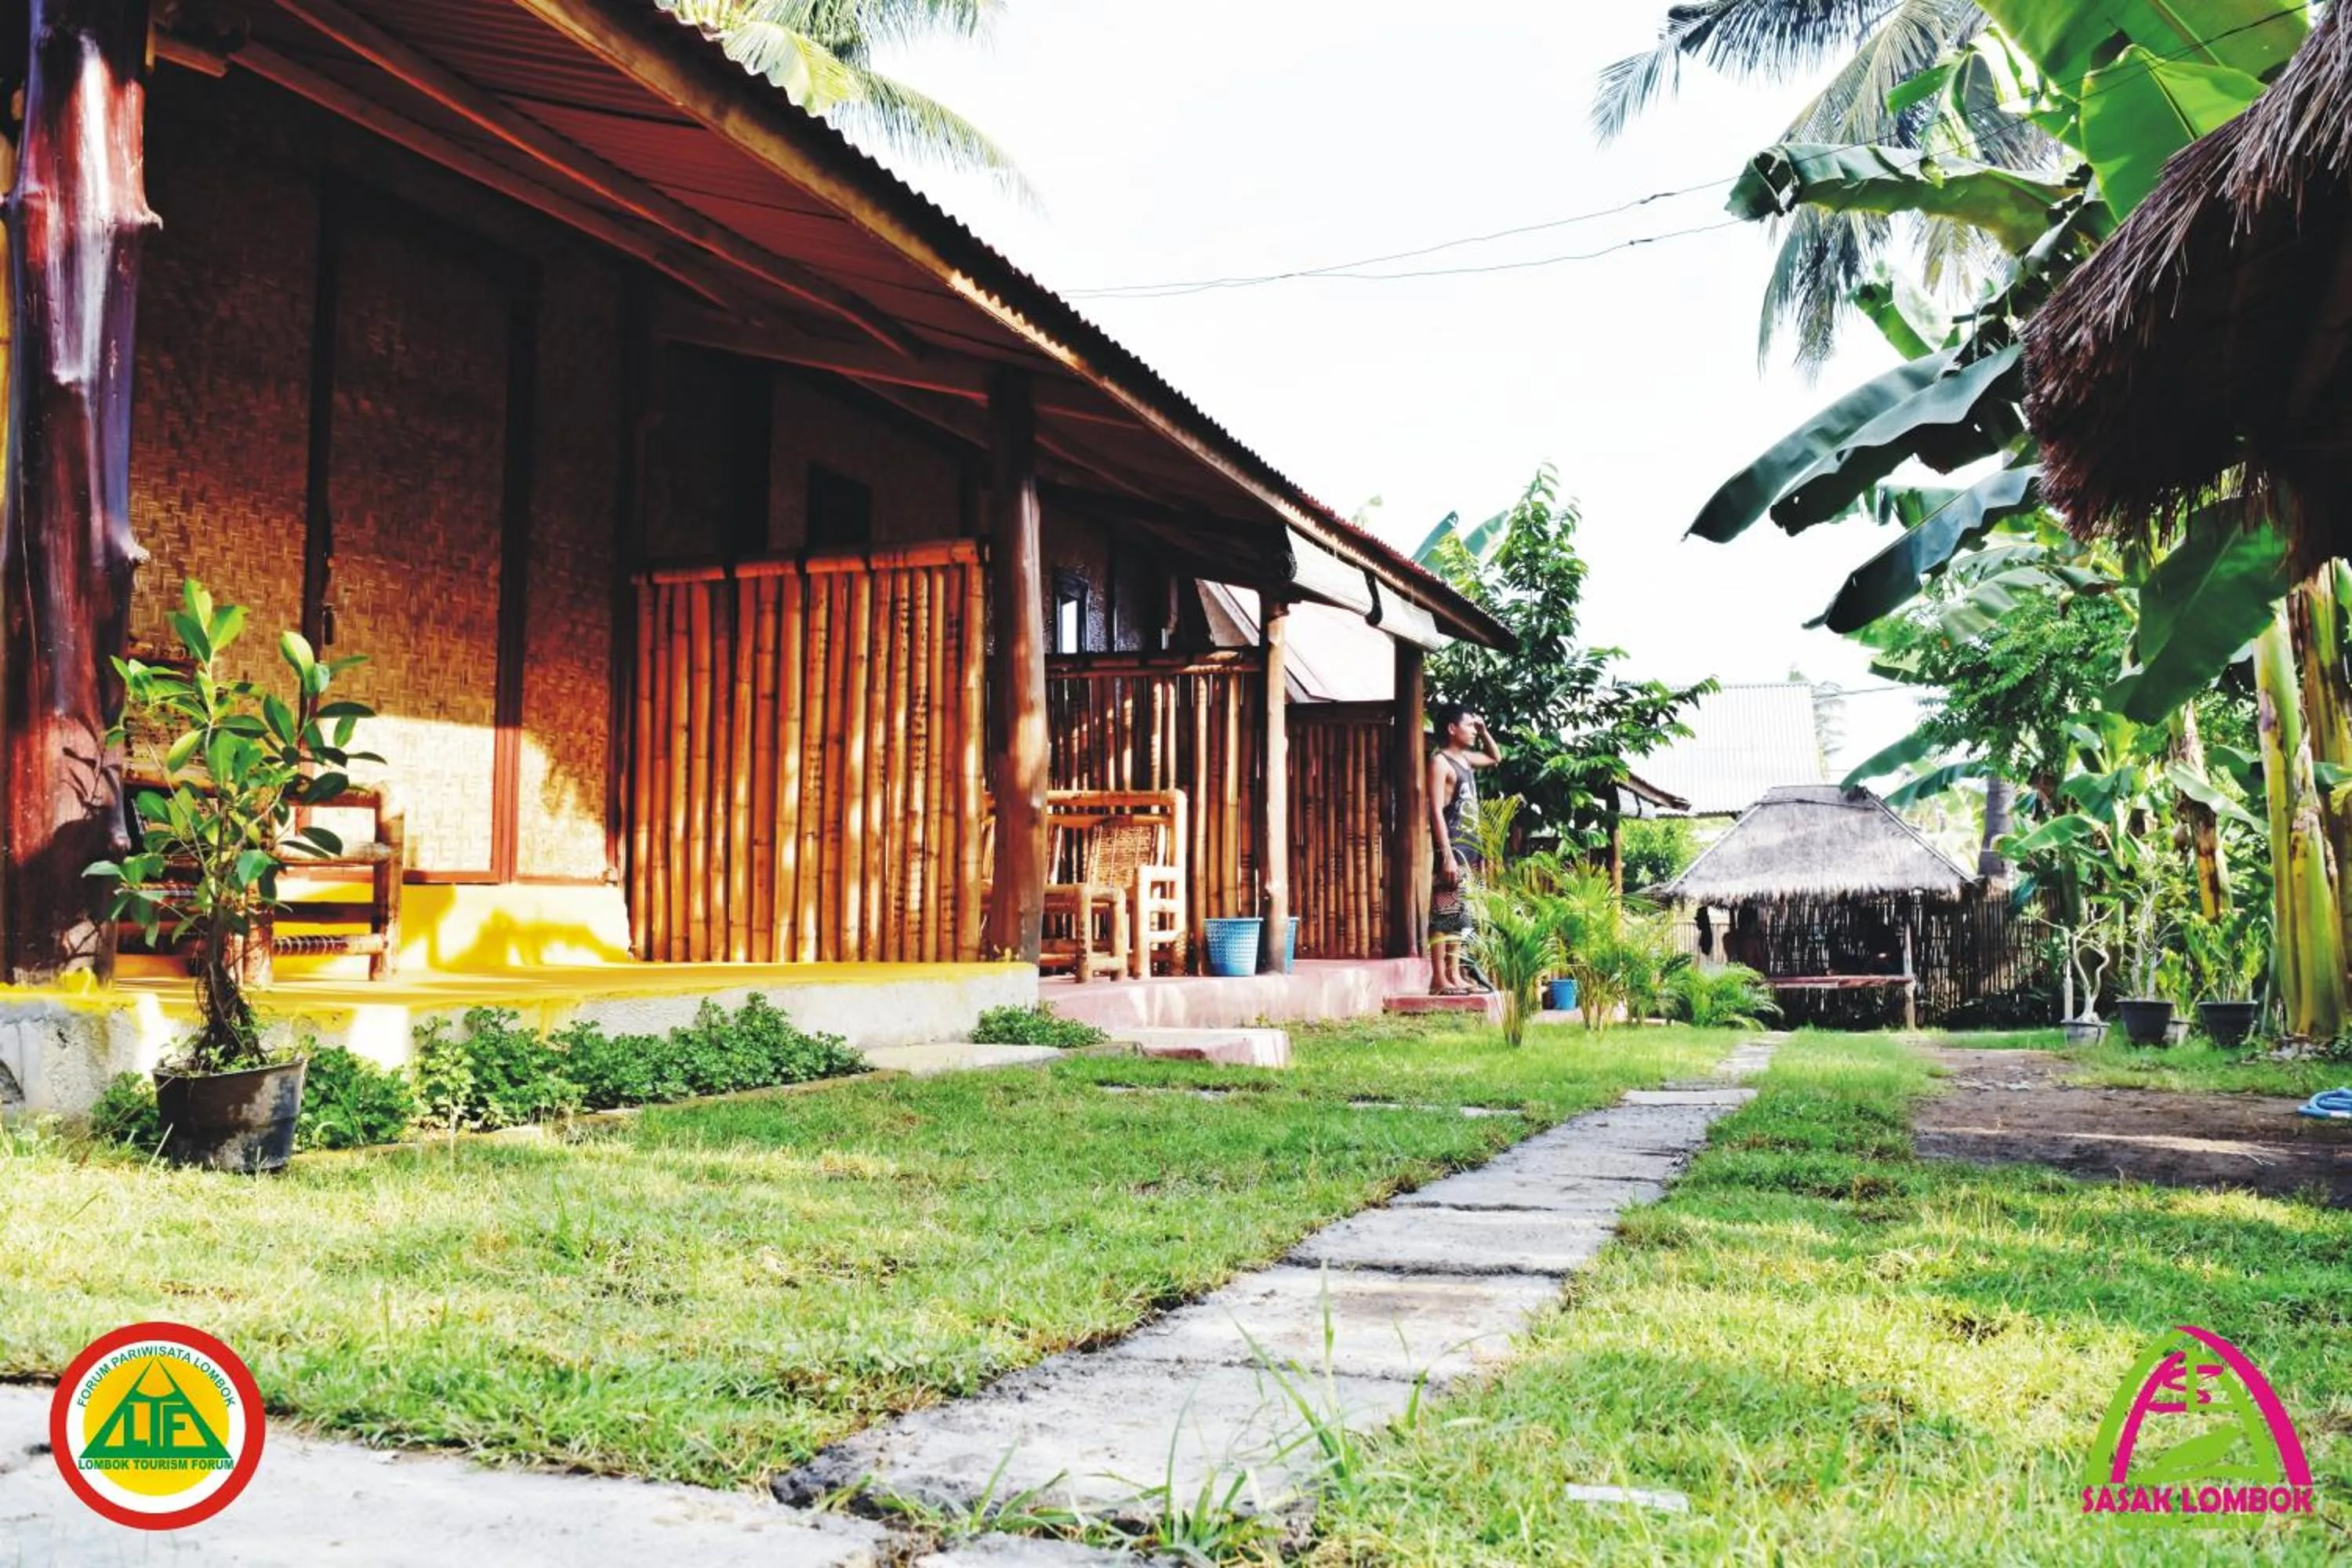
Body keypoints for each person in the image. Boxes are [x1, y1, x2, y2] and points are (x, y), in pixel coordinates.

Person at [1427, 702, 1503, 996]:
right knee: (1444, 911)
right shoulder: (1440, 763)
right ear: (1451, 728)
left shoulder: (1467, 760)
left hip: (1470, 848)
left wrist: (1484, 731)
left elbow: (1495, 757)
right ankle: (1438, 978)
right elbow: (1434, 810)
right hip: (1452, 847)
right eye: (1470, 725)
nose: (1474, 730)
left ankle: (1455, 973)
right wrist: (1445, 854)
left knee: (1461, 915)